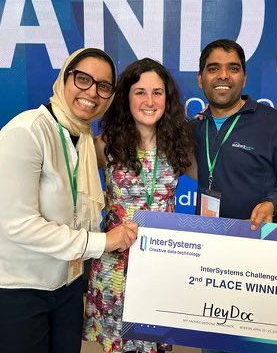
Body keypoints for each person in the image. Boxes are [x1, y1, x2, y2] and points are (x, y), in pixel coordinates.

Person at [0, 48, 138, 353]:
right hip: (20, 290)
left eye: (103, 86)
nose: (92, 92)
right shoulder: (28, 132)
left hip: (68, 285)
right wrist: (103, 242)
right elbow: (17, 225)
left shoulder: (85, 138)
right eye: (83, 79)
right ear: (64, 78)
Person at [192, 39, 277, 353]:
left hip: (260, 258)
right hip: (210, 258)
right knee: (213, 342)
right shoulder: (195, 128)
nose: (223, 76)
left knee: (256, 343)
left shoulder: (273, 124)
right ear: (201, 79)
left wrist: (272, 204)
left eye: (233, 68)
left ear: (243, 77)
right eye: (213, 68)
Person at [83, 58, 196, 353]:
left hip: (161, 262)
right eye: (140, 92)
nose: (149, 100)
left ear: (167, 99)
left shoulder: (179, 145)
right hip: (116, 265)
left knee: (156, 346)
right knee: (118, 346)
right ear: (126, 98)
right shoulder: (104, 145)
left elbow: (218, 177)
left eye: (157, 92)